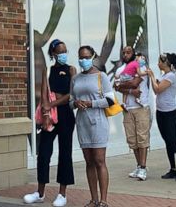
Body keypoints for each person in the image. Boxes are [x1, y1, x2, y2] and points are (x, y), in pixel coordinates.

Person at [25, 40, 75, 206]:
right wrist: (46, 111)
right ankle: (40, 192)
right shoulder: (48, 70)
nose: (63, 54)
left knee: (65, 153)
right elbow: (44, 92)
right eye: (60, 51)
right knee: (44, 152)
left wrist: (53, 104)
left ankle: (62, 193)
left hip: (65, 113)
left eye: (65, 51)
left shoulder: (71, 70)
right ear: (53, 54)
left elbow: (72, 94)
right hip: (50, 115)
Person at [71, 45, 114, 207]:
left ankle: (103, 200)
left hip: (98, 121)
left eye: (86, 57)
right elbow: (70, 101)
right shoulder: (75, 78)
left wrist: (91, 103)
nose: (83, 60)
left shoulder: (101, 76)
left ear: (93, 57)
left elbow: (110, 100)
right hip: (82, 122)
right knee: (89, 161)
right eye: (81, 57)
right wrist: (75, 103)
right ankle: (93, 199)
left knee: (99, 160)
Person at [147, 52, 176, 182]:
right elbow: (157, 90)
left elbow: (158, 89)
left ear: (166, 63)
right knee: (167, 141)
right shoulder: (164, 76)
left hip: (169, 112)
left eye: (160, 61)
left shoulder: (171, 76)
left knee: (173, 141)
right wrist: (155, 80)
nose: (158, 63)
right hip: (161, 111)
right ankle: (173, 169)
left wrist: (152, 76)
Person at [114, 46, 150, 181]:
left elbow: (135, 83)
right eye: (123, 52)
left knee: (142, 137)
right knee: (132, 139)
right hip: (127, 108)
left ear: (133, 53)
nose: (125, 54)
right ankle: (139, 165)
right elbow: (116, 87)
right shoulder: (120, 70)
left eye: (128, 52)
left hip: (141, 107)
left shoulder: (140, 67)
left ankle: (143, 167)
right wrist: (128, 90)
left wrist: (125, 84)